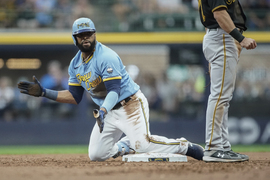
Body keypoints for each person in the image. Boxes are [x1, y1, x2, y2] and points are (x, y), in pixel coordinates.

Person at [17, 17, 204, 161]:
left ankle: (185, 146)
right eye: (81, 35)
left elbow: (114, 90)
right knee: (96, 155)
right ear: (75, 38)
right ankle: (124, 145)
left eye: (88, 34)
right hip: (107, 112)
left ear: (94, 34)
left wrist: (104, 110)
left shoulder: (106, 56)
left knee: (143, 145)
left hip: (129, 105)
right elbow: (74, 96)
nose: (85, 38)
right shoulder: (74, 65)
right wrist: (44, 93)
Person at [198, 1, 257, 162]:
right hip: (223, 36)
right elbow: (219, 14)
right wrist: (241, 38)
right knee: (220, 97)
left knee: (223, 98)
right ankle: (213, 147)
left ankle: (223, 146)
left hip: (220, 36)